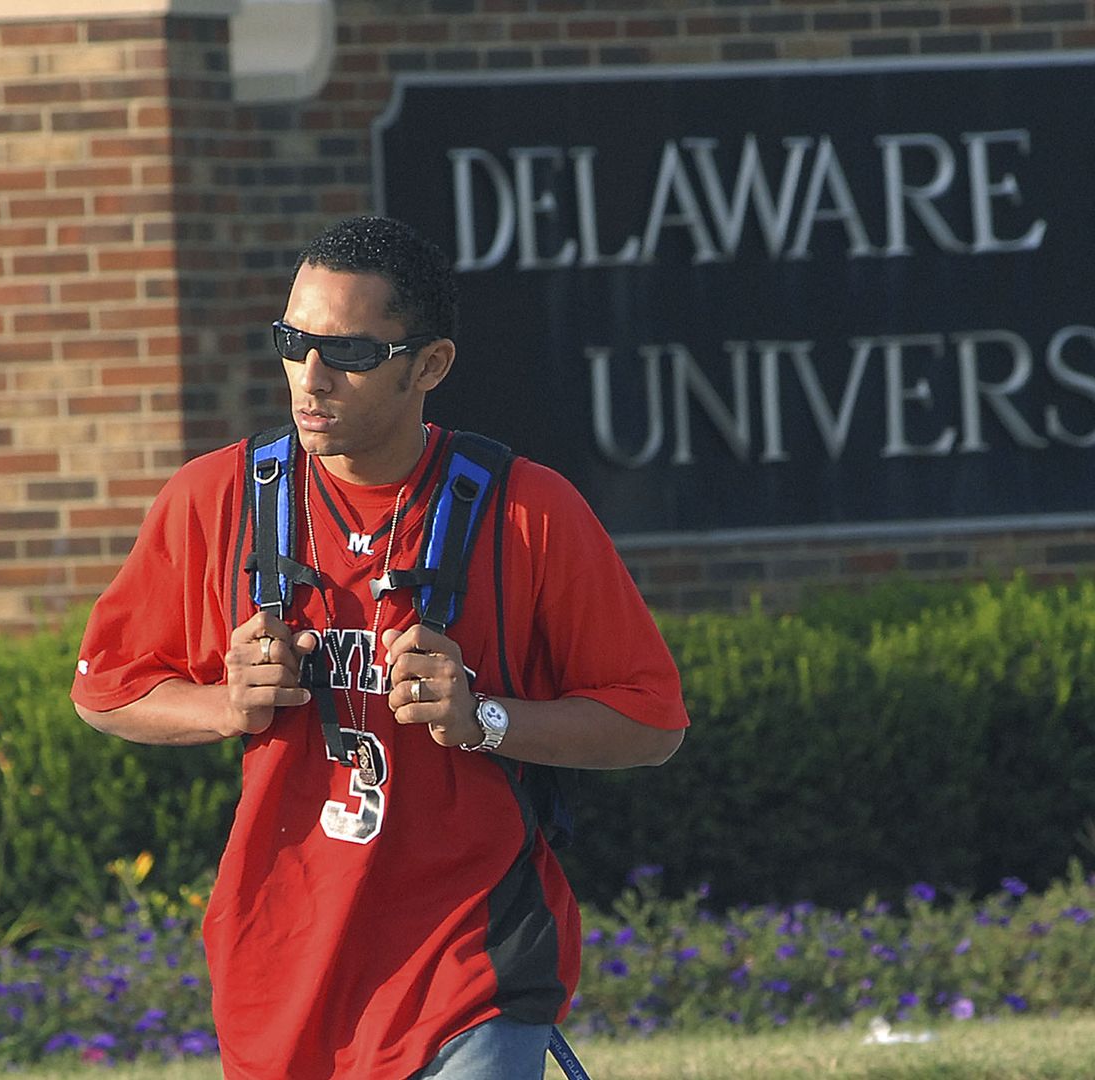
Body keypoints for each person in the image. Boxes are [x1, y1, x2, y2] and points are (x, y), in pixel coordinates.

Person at [71, 214, 689, 1079]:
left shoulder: (528, 511)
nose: (310, 379)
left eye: (351, 355)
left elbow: (651, 723)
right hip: (280, 970)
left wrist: (486, 720)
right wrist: (227, 705)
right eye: (293, 342)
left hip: (474, 965)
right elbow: (107, 689)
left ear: (429, 365)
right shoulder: (215, 498)